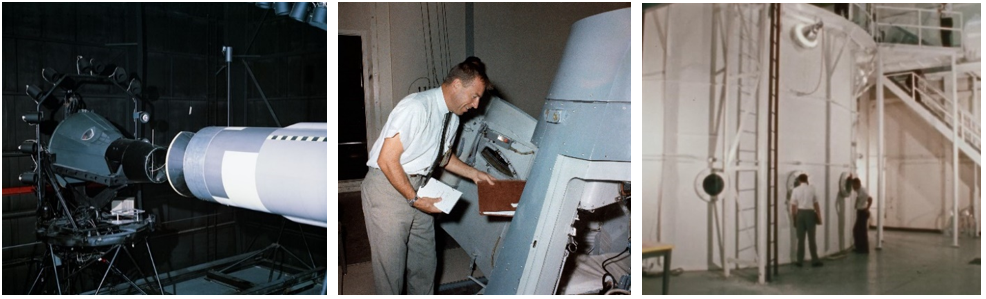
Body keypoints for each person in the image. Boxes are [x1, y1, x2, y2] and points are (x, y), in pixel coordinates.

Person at [361, 57, 497, 295]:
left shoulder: (452, 117)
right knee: (391, 272)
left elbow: (443, 157)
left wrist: (475, 174)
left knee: (424, 264)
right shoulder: (416, 107)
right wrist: (413, 199)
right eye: (474, 96)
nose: (476, 105)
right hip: (388, 188)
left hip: (419, 187)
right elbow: (387, 160)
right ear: (456, 85)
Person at [790, 174, 823, 267]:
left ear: (799, 180)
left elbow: (793, 206)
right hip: (810, 214)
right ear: (806, 180)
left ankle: (799, 261)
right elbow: (816, 204)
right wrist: (819, 216)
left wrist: (794, 218)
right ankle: (815, 260)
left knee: (800, 239)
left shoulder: (795, 190)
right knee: (812, 238)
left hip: (800, 213)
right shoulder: (812, 189)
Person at [851, 178, 873, 254]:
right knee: (858, 231)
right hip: (860, 211)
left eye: (853, 185)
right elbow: (858, 197)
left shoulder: (863, 191)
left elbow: (870, 199)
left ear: (858, 184)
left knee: (860, 231)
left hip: (863, 212)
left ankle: (863, 249)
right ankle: (860, 248)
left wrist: (867, 208)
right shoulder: (858, 189)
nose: (852, 187)